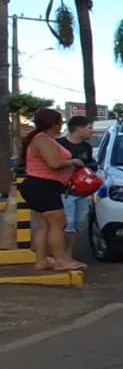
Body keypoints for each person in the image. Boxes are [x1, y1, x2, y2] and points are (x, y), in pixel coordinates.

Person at [18, 108, 85, 271]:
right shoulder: (43, 140)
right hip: (43, 186)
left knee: (44, 225)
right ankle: (61, 260)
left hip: (38, 186)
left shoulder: (40, 139)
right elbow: (54, 163)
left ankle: (42, 261)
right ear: (54, 124)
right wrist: (73, 162)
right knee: (58, 224)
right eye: (60, 122)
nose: (61, 125)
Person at [58, 115, 97, 257]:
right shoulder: (59, 144)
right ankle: (61, 255)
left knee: (78, 223)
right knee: (67, 224)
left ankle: (69, 254)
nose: (92, 131)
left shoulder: (86, 147)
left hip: (82, 192)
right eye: (89, 128)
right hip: (64, 191)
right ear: (79, 128)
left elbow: (90, 165)